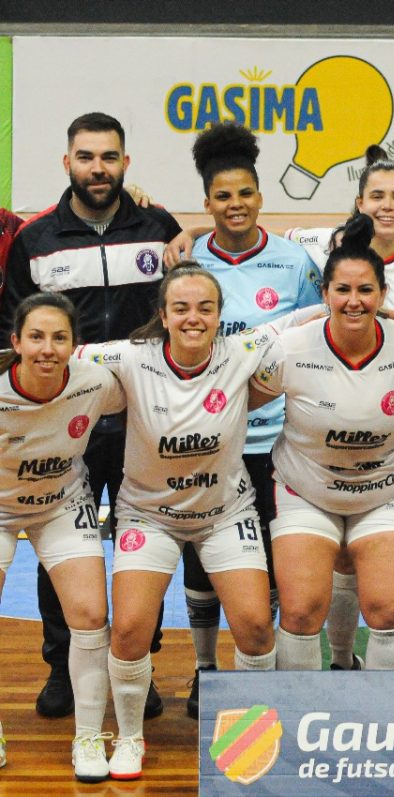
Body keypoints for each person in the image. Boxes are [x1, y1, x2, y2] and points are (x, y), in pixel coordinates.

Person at [0, 112, 189, 721]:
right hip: (63, 426)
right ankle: (63, 667)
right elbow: (14, 331)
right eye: (86, 157)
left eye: (109, 157)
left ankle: (139, 663)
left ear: (125, 163)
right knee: (62, 550)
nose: (98, 168)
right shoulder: (36, 239)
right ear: (68, 163)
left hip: (142, 422)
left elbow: (184, 305)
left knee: (143, 551)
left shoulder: (159, 227)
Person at [82, 265, 277, 780]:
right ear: (163, 316)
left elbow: (306, 320)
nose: (194, 318)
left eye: (206, 308)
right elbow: (59, 356)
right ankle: (128, 740)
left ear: (219, 316)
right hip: (148, 515)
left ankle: (251, 739)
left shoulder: (242, 352)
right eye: (182, 308)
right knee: (127, 631)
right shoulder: (128, 356)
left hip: (224, 514)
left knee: (256, 628)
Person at [285, 145, 394, 671]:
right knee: (340, 556)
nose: (387, 206)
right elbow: (270, 238)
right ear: (359, 201)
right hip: (335, 421)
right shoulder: (320, 245)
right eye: (377, 196)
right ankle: (342, 661)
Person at [252, 214, 394, 673]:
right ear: (325, 294)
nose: (354, 301)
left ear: (382, 294)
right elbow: (239, 405)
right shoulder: (290, 349)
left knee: (390, 612)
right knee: (299, 613)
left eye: (365, 291)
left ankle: (385, 734)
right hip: (305, 491)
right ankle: (300, 733)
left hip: (387, 491)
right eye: (343, 290)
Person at [186, 121, 322, 715]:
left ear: (261, 198)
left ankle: (259, 663)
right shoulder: (188, 259)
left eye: (245, 194)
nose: (235, 205)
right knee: (201, 554)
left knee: (269, 558)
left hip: (279, 441)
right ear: (207, 203)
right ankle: (203, 668)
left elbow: (318, 337)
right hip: (209, 437)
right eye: (223, 196)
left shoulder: (294, 262)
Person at [0, 294, 125, 781]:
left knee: (92, 616)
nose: (47, 348)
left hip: (61, 504)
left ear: (76, 345)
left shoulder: (96, 383)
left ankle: (89, 736)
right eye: (36, 337)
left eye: (59, 337)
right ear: (16, 342)